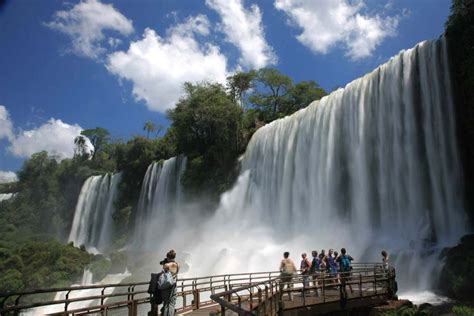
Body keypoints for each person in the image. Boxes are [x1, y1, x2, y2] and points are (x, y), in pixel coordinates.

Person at [160, 250, 179, 316]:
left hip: (167, 286)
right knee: (172, 304)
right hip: (174, 286)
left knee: (166, 304)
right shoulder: (177, 264)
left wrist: (164, 264)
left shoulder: (166, 265)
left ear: (168, 257)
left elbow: (162, 275)